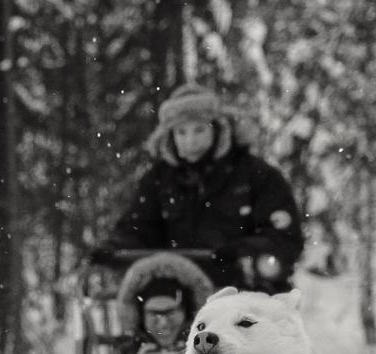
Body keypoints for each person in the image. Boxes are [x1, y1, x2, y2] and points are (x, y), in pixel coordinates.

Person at [90, 84, 304, 294]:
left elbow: (284, 238)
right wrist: (114, 249)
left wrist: (242, 251)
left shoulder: (256, 175)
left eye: (199, 130)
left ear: (217, 128)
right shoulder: (158, 180)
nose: (190, 141)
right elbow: (139, 228)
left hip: (242, 293)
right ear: (169, 136)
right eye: (181, 132)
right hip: (178, 294)